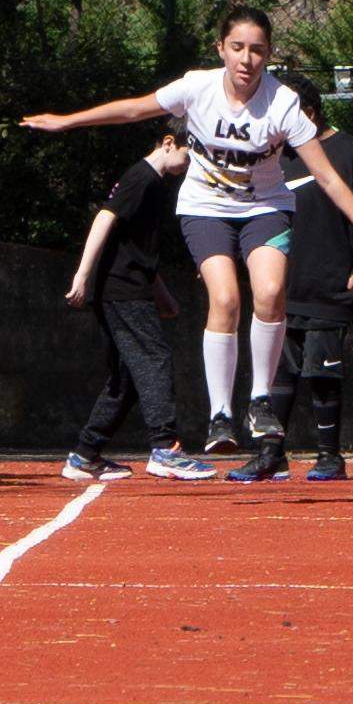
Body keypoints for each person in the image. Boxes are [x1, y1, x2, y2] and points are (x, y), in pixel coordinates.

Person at [23, 9, 353, 454]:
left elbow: (328, 177)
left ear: (268, 55)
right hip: (206, 209)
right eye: (237, 48)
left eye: (257, 50)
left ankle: (259, 401)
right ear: (221, 50)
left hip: (265, 207)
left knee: (270, 292)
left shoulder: (283, 103)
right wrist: (66, 120)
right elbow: (135, 109)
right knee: (227, 298)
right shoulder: (197, 87)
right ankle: (220, 415)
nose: (246, 60)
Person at [62, 136, 218, 482]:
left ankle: (85, 454)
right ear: (169, 143)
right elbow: (104, 219)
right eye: (189, 156)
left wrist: (162, 295)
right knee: (154, 359)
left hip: (127, 288)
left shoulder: (155, 184)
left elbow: (136, 249)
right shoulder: (141, 177)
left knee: (127, 377)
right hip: (122, 290)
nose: (190, 166)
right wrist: (82, 274)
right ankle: (165, 448)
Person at [236, 143, 353, 480]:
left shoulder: (349, 154)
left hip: (330, 287)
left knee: (323, 373)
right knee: (275, 374)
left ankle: (329, 456)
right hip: (282, 290)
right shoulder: (268, 155)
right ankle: (271, 454)